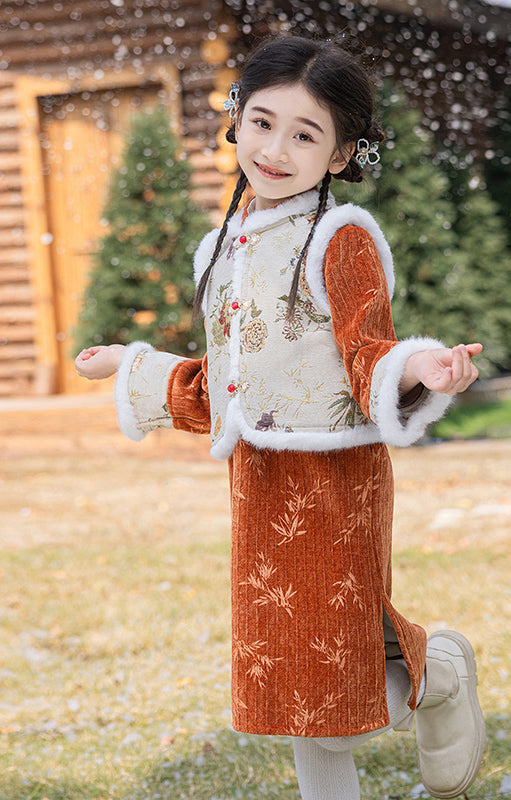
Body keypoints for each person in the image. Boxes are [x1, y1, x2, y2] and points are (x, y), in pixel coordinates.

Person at [75, 35, 486, 800]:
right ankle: (422, 675)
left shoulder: (341, 237)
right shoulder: (222, 250)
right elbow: (229, 385)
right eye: (262, 123)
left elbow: (368, 352)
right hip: (258, 488)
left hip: (334, 487)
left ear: (340, 154)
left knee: (330, 706)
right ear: (236, 120)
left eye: (304, 134)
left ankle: (439, 674)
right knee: (294, 690)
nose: (274, 149)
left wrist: (420, 368)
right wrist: (133, 365)